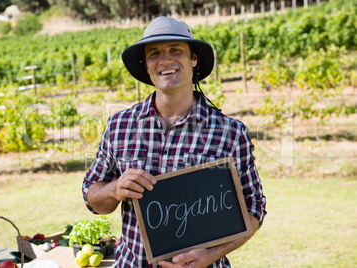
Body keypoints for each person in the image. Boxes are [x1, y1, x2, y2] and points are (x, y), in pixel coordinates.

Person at [82, 16, 266, 268]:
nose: (165, 60)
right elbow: (93, 197)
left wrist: (210, 255)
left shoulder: (230, 132)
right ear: (146, 66)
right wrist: (115, 189)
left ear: (194, 59)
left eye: (175, 50)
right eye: (154, 53)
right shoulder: (119, 126)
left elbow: (254, 208)